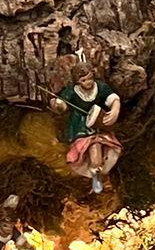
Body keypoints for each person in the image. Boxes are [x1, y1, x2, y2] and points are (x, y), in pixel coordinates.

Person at [50, 61, 123, 192]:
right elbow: (63, 105)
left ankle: (98, 169)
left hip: (98, 122)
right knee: (89, 149)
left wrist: (115, 108)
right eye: (84, 80)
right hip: (80, 125)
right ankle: (93, 171)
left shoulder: (100, 87)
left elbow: (112, 98)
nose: (88, 82)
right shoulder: (72, 91)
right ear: (78, 82)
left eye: (90, 78)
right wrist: (58, 105)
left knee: (98, 147)